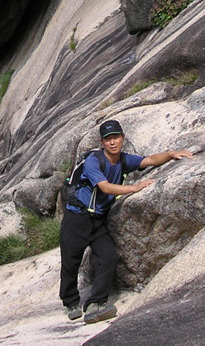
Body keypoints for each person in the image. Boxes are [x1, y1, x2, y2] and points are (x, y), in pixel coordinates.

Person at [60, 119, 193, 324]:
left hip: (98, 219)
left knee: (108, 257)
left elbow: (148, 160)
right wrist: (134, 187)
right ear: (102, 142)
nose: (112, 142)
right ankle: (71, 302)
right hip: (77, 217)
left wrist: (170, 154)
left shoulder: (123, 160)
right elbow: (105, 187)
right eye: (108, 139)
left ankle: (96, 303)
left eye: (116, 137)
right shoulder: (94, 161)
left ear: (122, 138)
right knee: (71, 261)